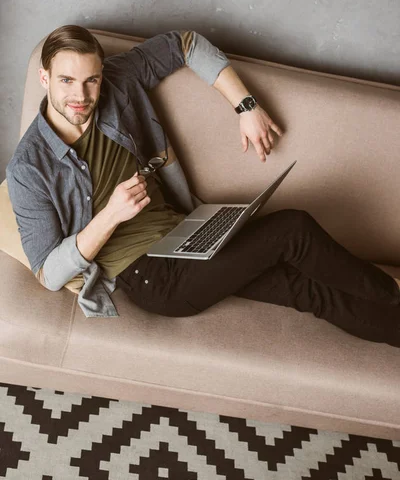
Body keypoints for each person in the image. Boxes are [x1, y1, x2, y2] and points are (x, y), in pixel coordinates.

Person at [6, 25, 400, 348]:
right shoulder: (29, 167)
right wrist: (110, 215)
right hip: (152, 276)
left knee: (305, 290)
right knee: (292, 230)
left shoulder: (118, 82)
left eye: (91, 79)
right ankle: (392, 292)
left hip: (187, 234)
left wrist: (246, 107)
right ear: (44, 78)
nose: (81, 95)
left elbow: (186, 44)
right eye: (66, 81)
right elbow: (48, 274)